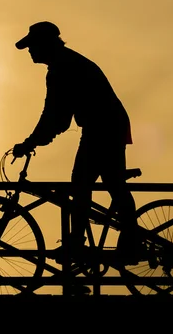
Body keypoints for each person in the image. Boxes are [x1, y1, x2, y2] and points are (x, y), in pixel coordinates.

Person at [12, 21, 144, 265]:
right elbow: (57, 117)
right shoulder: (65, 63)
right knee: (93, 184)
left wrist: (31, 142)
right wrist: (36, 139)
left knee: (85, 183)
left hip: (104, 127)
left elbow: (55, 116)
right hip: (104, 125)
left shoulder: (62, 68)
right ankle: (95, 241)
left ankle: (97, 242)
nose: (30, 51)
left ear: (45, 45)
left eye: (32, 46)